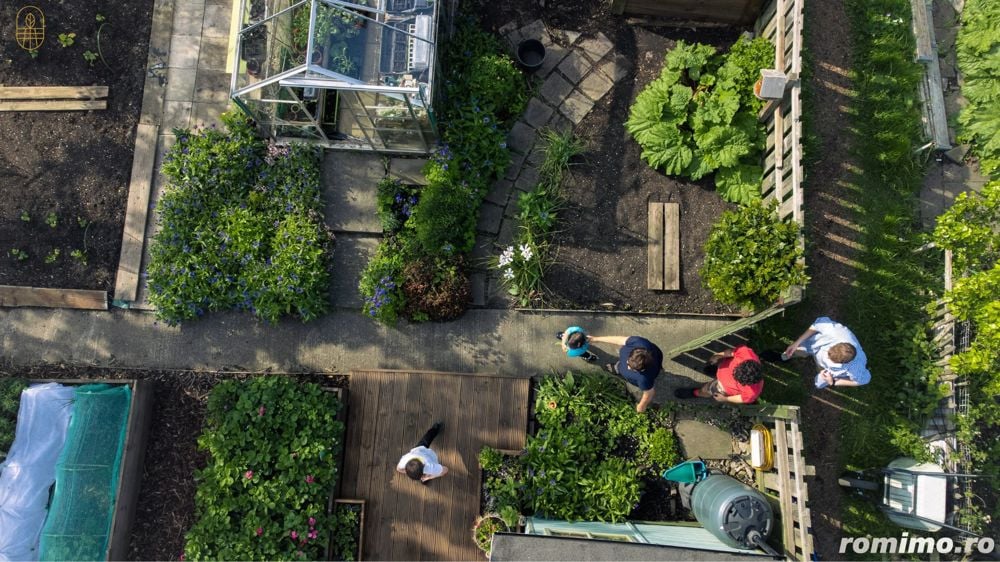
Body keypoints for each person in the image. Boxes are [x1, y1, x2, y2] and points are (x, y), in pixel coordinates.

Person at [764, 316, 870, 389]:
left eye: (832, 361)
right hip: (815, 347)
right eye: (829, 353)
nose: (827, 357)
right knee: (796, 350)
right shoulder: (836, 332)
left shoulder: (856, 367)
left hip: (827, 371)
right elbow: (817, 324)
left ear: (845, 363)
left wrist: (833, 382)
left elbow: (863, 380)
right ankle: (783, 358)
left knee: (819, 378)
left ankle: (818, 374)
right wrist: (797, 343)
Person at [587, 335, 663, 412]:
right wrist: (595, 338)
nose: (628, 368)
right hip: (656, 357)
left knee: (622, 369)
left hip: (650, 370)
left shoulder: (644, 379)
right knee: (622, 367)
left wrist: (642, 405)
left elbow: (649, 392)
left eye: (634, 369)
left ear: (643, 369)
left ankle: (617, 368)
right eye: (628, 362)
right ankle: (617, 368)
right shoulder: (638, 341)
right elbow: (619, 340)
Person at [673, 346, 764, 404]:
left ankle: (696, 393)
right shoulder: (746, 353)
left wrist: (725, 399)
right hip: (722, 367)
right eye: (735, 371)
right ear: (744, 362)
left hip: (722, 387)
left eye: (736, 379)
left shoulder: (752, 392)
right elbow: (731, 352)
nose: (733, 375)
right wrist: (717, 356)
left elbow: (742, 398)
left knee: (707, 389)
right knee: (715, 369)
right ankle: (716, 371)